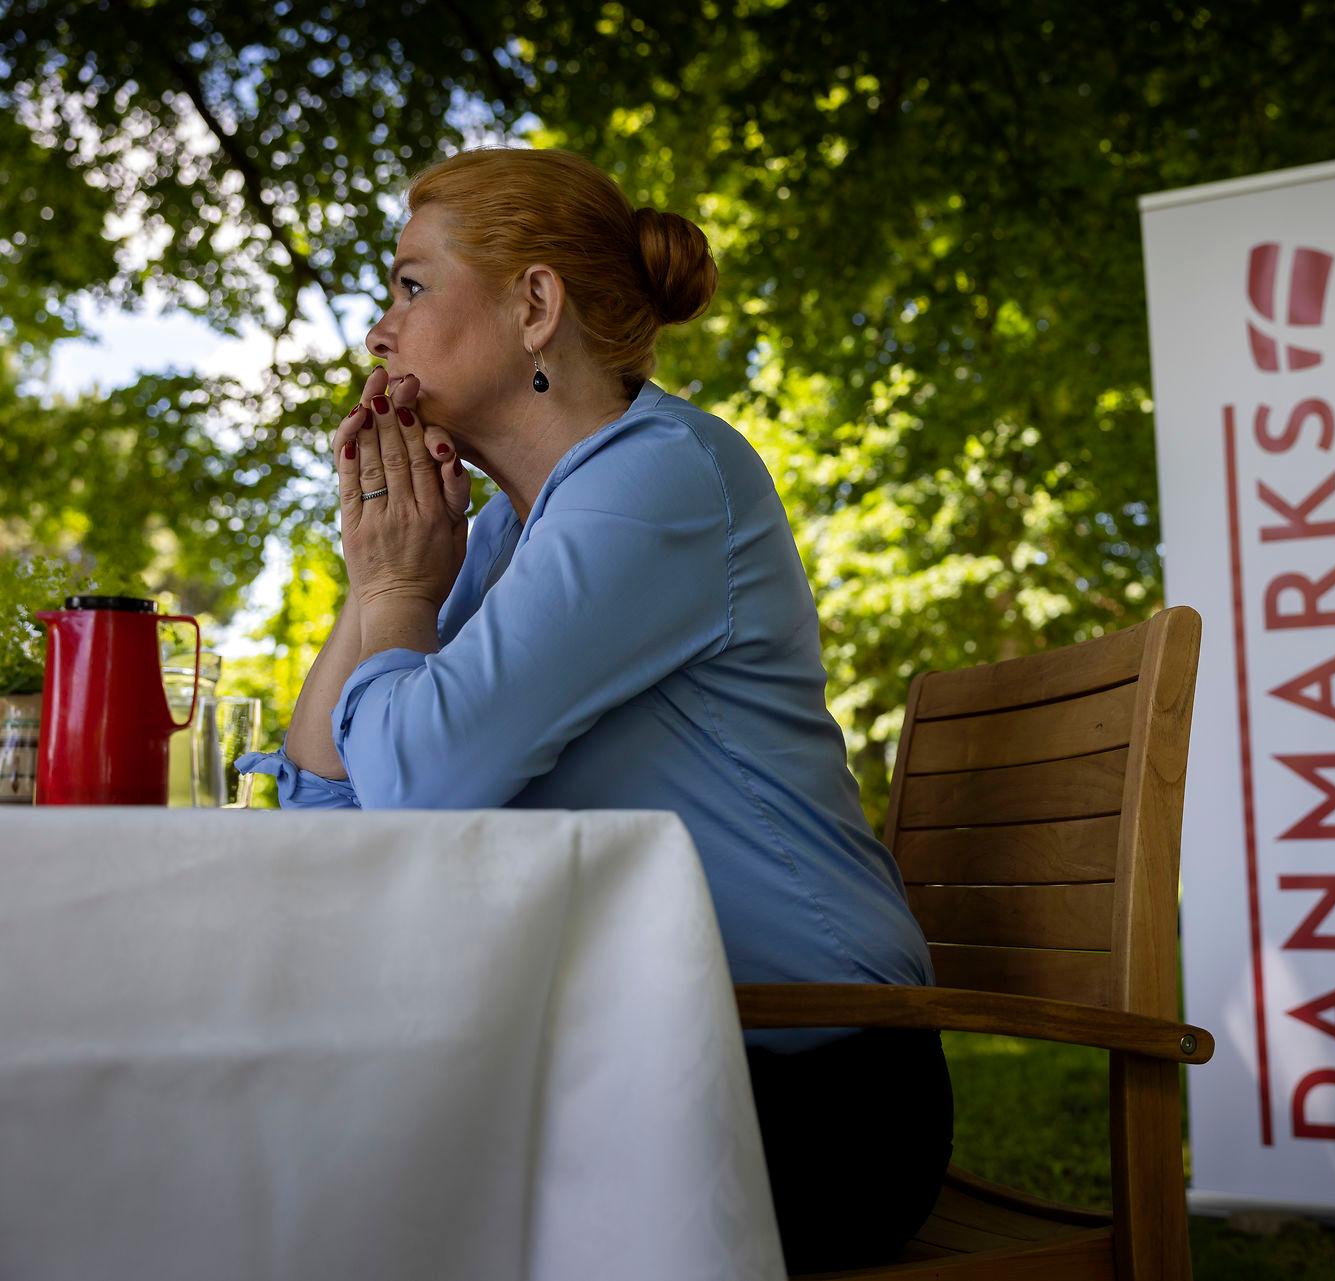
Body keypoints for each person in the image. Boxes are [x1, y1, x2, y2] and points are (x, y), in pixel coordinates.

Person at [236, 146, 950, 1272]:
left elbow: (416, 786)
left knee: (318, 1174)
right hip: (652, 1063)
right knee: (290, 1142)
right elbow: (332, 799)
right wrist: (384, 572)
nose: (378, 331)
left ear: (534, 305)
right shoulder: (517, 531)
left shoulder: (658, 479)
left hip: (813, 1096)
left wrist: (393, 594)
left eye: (411, 286)